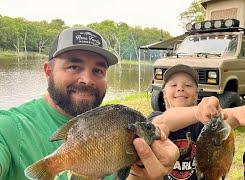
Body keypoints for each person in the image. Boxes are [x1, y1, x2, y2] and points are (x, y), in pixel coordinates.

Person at [0, 27, 179, 180]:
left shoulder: (108, 120)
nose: (87, 79)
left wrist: (141, 174)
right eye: (73, 66)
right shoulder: (9, 128)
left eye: (98, 70)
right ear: (48, 71)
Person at [147, 64, 245, 180]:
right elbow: (164, 121)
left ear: (197, 94)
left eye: (188, 85)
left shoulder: (205, 124)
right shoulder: (156, 117)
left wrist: (239, 112)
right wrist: (197, 111)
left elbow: (226, 118)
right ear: (163, 94)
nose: (180, 88)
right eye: (173, 85)